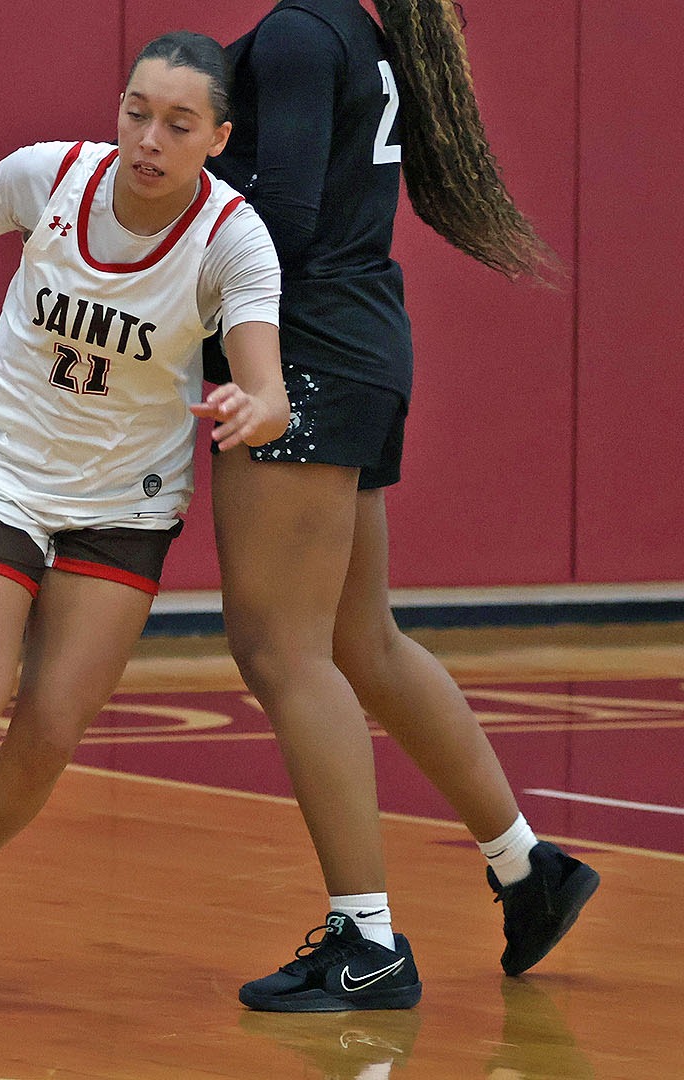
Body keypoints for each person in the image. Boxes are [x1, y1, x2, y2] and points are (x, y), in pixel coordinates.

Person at [0, 30, 289, 999]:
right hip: (2, 465)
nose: (150, 137)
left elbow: (269, 388)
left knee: (45, 737)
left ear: (218, 136)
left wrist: (254, 408)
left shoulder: (234, 239)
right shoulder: (49, 177)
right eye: (136, 110)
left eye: (178, 123)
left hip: (126, 501)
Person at [205, 0, 598, 1012]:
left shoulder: (301, 33)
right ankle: (526, 867)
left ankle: (366, 939)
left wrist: (154, 203)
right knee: (358, 639)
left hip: (305, 359)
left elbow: (277, 220)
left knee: (281, 649)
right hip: (362, 344)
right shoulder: (357, 34)